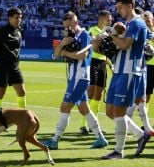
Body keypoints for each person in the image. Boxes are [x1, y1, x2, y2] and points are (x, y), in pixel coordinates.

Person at [93, 0, 151, 160]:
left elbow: (125, 44)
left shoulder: (137, 23)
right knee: (110, 111)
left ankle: (118, 151)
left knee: (119, 110)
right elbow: (119, 46)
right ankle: (141, 135)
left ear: (130, 6)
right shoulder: (128, 24)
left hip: (129, 71)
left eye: (120, 7)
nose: (118, 11)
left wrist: (112, 35)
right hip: (119, 70)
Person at [44, 11, 108, 150]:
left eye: (69, 26)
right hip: (74, 76)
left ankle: (55, 140)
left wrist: (64, 52)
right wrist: (62, 45)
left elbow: (82, 56)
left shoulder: (84, 35)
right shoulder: (69, 36)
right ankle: (101, 139)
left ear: (75, 22)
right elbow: (54, 55)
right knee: (85, 109)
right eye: (66, 27)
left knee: (65, 106)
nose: (67, 29)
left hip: (80, 76)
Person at [80, 10, 113, 135]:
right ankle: (83, 125)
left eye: (110, 20)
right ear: (101, 19)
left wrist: (111, 65)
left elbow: (107, 52)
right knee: (90, 92)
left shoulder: (109, 33)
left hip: (102, 63)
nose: (110, 21)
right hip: (93, 62)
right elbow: (92, 46)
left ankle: (94, 124)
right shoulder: (92, 30)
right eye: (108, 19)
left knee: (98, 95)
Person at [0, 7, 26, 109]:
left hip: (15, 67)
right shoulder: (1, 32)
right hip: (2, 67)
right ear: (9, 18)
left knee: (22, 92)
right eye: (16, 17)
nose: (19, 20)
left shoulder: (19, 32)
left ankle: (22, 114)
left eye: (20, 18)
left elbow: (17, 50)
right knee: (0, 92)